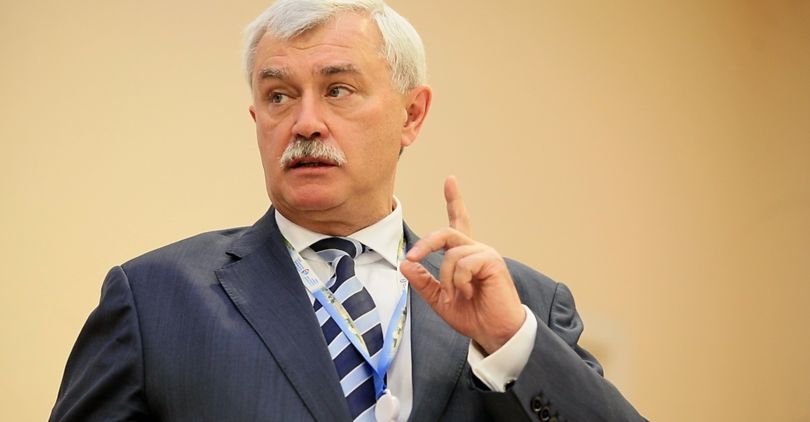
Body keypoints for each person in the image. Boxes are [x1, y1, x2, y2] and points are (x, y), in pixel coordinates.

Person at [51, 0, 645, 421]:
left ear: (412, 114)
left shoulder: (525, 306)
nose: (305, 123)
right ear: (257, 119)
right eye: (279, 96)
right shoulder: (155, 301)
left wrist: (509, 342)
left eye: (338, 89)